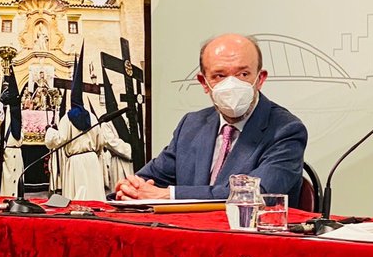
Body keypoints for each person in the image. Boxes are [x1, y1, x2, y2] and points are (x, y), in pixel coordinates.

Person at [116, 34, 307, 203]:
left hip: (252, 240)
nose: (232, 84)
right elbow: (150, 179)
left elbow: (258, 195)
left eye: (243, 74)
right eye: (219, 75)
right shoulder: (191, 125)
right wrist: (131, 188)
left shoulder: (286, 129)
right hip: (188, 237)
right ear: (204, 83)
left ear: (261, 78)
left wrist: (168, 195)